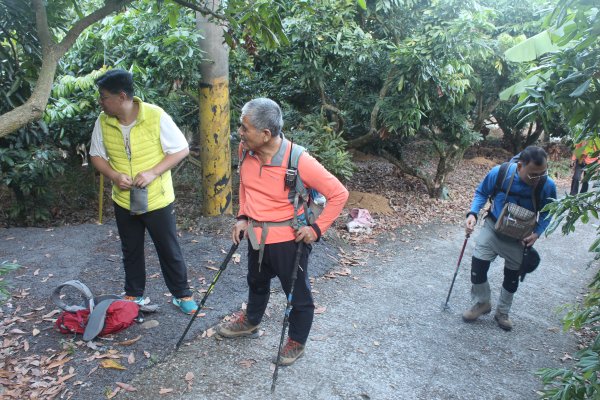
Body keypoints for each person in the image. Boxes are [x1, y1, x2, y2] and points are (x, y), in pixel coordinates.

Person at [215, 98, 349, 365]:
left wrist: (316, 229)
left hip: (289, 241)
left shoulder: (299, 160)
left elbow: (339, 193)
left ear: (265, 134)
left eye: (244, 127)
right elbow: (245, 185)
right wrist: (242, 216)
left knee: (297, 296)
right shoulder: (245, 150)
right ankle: (251, 321)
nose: (239, 132)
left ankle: (297, 342)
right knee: (257, 281)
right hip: (255, 235)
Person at [89, 69, 198, 315]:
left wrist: (152, 172)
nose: (101, 101)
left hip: (157, 199)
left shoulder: (155, 115)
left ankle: (182, 294)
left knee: (168, 248)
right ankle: (134, 294)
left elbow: (181, 149)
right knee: (131, 248)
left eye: (104, 97)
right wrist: (115, 176)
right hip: (123, 200)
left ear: (122, 96)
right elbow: (96, 156)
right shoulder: (103, 121)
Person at [463, 146, 557, 331]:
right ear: (520, 166)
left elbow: (549, 211)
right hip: (493, 227)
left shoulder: (547, 185)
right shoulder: (501, 173)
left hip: (520, 237)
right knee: (477, 267)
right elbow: (482, 192)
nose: (537, 178)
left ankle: (502, 312)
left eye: (542, 173)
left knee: (512, 276)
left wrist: (537, 232)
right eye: (532, 174)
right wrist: (472, 213)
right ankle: (482, 302)